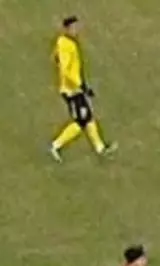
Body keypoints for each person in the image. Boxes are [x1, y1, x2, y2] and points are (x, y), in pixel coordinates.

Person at [49, 15, 117, 163]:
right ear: (67, 29)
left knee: (88, 117)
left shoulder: (66, 42)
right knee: (80, 121)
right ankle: (55, 146)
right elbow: (66, 71)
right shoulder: (65, 44)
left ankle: (100, 148)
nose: (77, 30)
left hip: (76, 88)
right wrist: (81, 85)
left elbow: (56, 58)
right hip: (71, 90)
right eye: (74, 27)